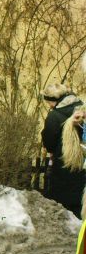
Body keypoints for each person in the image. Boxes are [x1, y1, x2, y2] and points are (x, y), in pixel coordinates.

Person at [41, 83, 85, 218]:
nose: (49, 106)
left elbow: (48, 140)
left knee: (62, 199)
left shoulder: (54, 116)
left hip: (64, 162)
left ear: (53, 101)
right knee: (79, 196)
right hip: (82, 161)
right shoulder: (81, 108)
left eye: (48, 102)